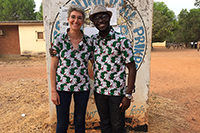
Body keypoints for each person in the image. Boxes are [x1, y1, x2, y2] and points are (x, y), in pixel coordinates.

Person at [89, 5, 137, 133]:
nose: (101, 20)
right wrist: (56, 50)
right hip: (99, 92)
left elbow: (132, 68)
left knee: (118, 127)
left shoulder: (122, 40)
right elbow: (77, 49)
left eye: (104, 16)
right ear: (93, 23)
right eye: (97, 18)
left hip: (117, 94)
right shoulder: (93, 41)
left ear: (109, 18)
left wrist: (128, 94)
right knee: (104, 124)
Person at [50, 4, 93, 133]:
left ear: (83, 21)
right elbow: (53, 67)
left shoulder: (88, 42)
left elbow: (94, 64)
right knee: (62, 123)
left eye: (79, 18)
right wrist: (53, 90)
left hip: (82, 87)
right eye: (73, 17)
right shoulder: (59, 40)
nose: (76, 20)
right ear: (68, 19)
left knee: (80, 122)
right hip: (62, 87)